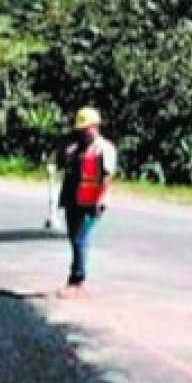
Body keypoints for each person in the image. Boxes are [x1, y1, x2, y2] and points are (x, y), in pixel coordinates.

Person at [57, 106, 118, 298]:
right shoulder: (75, 149)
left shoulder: (104, 148)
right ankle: (75, 279)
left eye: (86, 129)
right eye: (81, 129)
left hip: (92, 201)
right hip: (73, 200)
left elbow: (107, 176)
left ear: (95, 127)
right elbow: (62, 167)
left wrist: (101, 199)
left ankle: (77, 280)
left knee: (81, 239)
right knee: (74, 239)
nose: (83, 133)